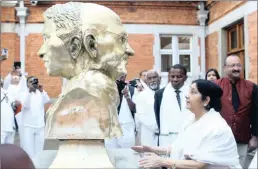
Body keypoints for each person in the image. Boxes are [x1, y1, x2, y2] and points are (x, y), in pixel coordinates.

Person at [37, 2, 134, 140]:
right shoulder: (78, 94)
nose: (130, 50)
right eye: (122, 40)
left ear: (78, 46)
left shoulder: (87, 98)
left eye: (47, 39)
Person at [132, 79, 241, 169]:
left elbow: (199, 164)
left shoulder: (216, 126)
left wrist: (162, 161)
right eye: (189, 91)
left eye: (193, 92)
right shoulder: (191, 119)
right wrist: (151, 149)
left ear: (206, 100)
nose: (186, 96)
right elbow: (180, 148)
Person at [214, 55, 258, 168]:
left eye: (239, 65)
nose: (236, 68)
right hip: (219, 141)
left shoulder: (251, 87)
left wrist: (255, 137)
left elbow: (256, 114)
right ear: (224, 68)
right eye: (232, 65)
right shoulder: (215, 86)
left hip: (242, 140)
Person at [154, 64, 191, 147]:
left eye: (179, 76)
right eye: (172, 76)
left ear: (185, 77)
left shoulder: (193, 92)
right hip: (167, 138)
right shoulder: (160, 94)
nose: (175, 79)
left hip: (189, 136)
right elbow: (157, 116)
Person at [19, 76, 50, 159]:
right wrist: (30, 91)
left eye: (34, 81)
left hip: (40, 126)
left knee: (39, 152)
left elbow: (47, 100)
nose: (33, 83)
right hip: (28, 127)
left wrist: (42, 90)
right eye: (31, 82)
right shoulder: (24, 93)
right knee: (29, 152)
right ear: (27, 84)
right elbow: (25, 104)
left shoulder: (40, 93)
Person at [105, 74, 136, 148]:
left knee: (127, 154)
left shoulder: (132, 90)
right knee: (111, 154)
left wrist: (127, 97)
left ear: (125, 76)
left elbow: (135, 109)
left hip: (126, 129)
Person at [135, 70, 160, 146]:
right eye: (149, 78)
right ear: (146, 81)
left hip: (165, 135)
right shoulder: (142, 96)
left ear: (159, 79)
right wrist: (157, 128)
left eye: (154, 77)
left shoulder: (165, 93)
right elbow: (141, 116)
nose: (152, 80)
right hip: (149, 134)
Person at [1, 78, 16, 144]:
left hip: (8, 126)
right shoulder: (8, 93)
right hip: (6, 126)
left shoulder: (8, 93)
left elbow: (15, 105)